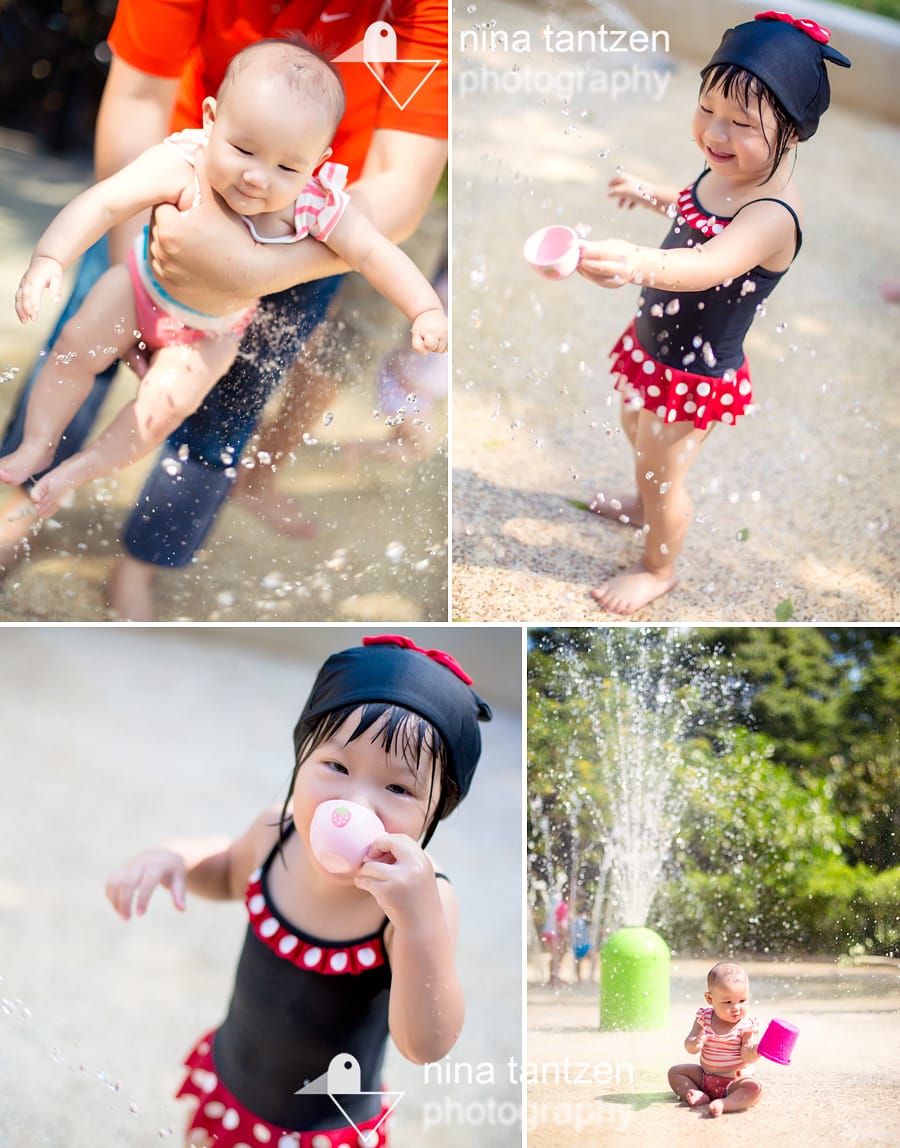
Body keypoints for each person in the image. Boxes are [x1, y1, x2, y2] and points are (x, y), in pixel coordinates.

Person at [0, 0, 448, 621]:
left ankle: (115, 532)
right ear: (212, 120)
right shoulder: (182, 157)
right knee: (78, 343)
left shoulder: (315, 205)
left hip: (217, 325)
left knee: (180, 420)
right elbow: (104, 200)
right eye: (243, 151)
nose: (259, 180)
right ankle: (29, 466)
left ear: (316, 166)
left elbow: (378, 247)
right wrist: (51, 258)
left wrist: (424, 308)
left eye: (287, 167)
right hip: (143, 273)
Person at [104, 634, 492, 1147]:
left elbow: (424, 1044)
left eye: (398, 788)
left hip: (323, 1132)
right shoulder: (277, 834)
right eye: (336, 766)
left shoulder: (418, 902)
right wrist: (177, 856)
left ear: (437, 810)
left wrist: (420, 926)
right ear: (300, 756)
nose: (356, 804)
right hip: (232, 1092)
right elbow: (224, 872)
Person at [576, 11, 850, 614]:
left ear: (794, 132)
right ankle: (643, 504)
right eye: (707, 109)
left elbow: (708, 264)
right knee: (635, 431)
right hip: (657, 349)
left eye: (741, 123)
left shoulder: (772, 212)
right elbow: (694, 210)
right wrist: (652, 194)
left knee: (663, 471)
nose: (715, 134)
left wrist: (632, 260)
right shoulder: (728, 169)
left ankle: (658, 568)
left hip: (694, 373)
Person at [668, 960, 761, 1117]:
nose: (736, 1008)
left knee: (754, 1088)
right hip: (705, 1077)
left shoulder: (747, 1024)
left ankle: (725, 1103)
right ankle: (695, 1093)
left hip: (735, 1081)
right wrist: (694, 1042)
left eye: (742, 1000)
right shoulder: (703, 1017)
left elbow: (747, 1055)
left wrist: (756, 1050)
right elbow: (690, 1047)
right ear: (710, 999)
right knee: (675, 1072)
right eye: (727, 1002)